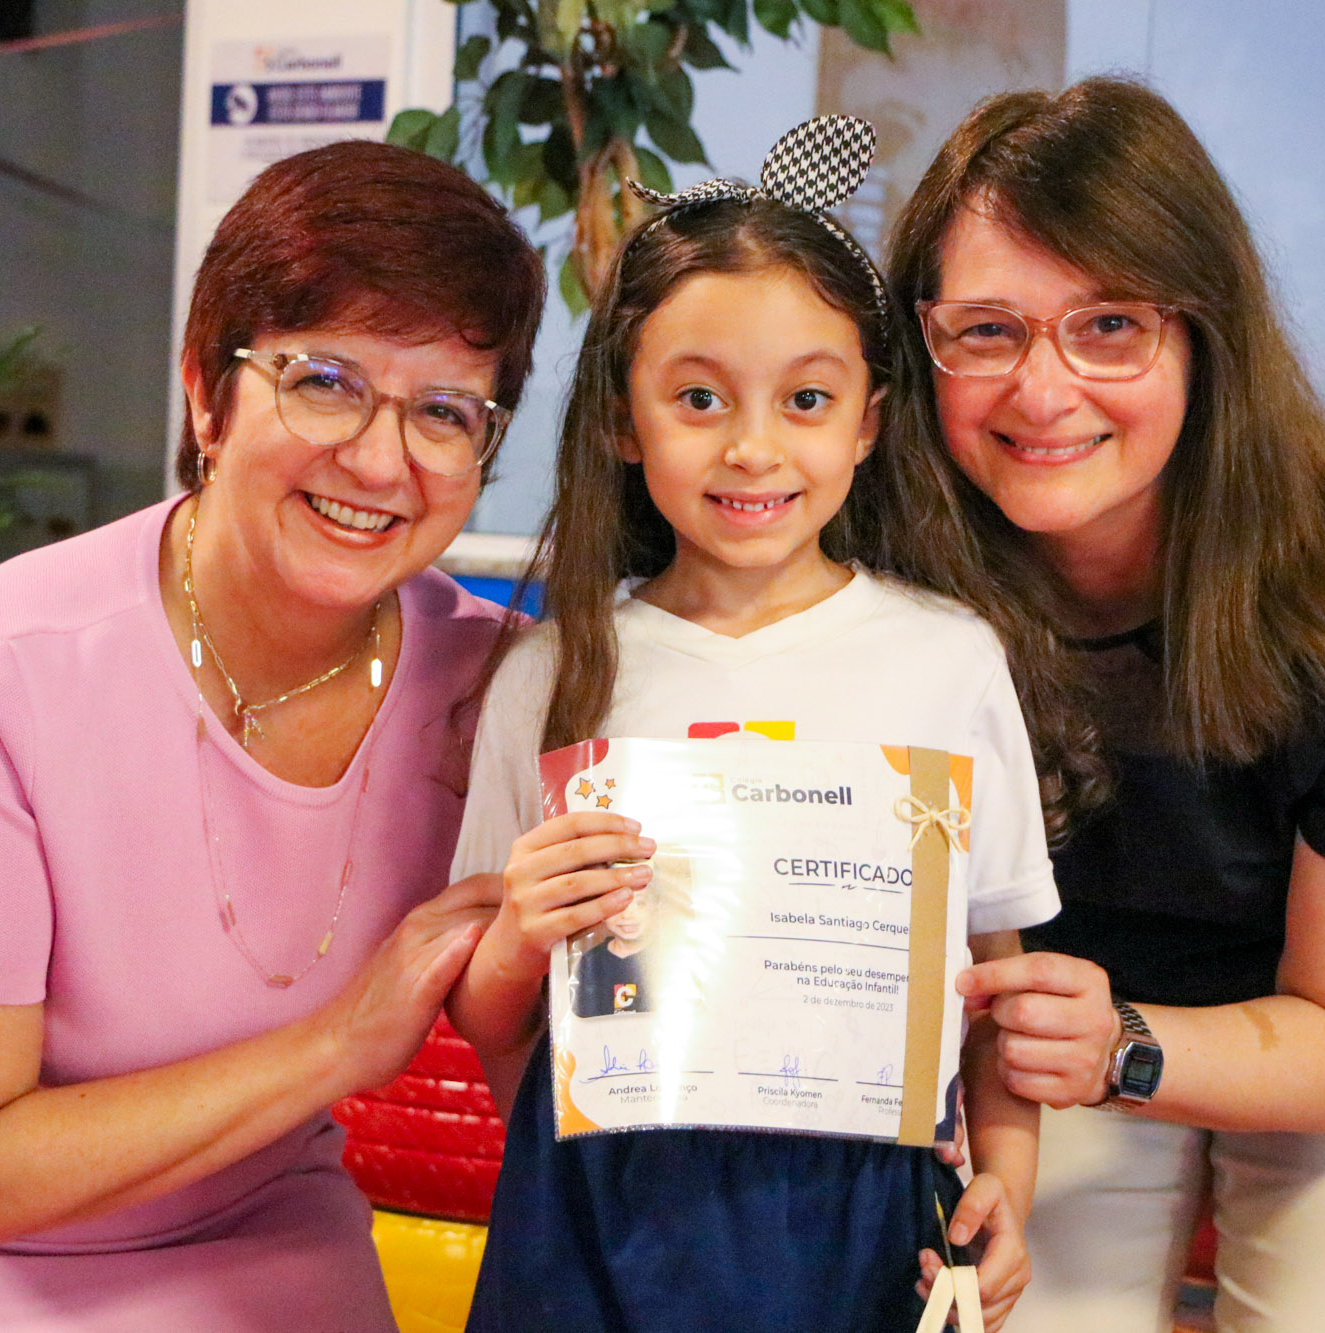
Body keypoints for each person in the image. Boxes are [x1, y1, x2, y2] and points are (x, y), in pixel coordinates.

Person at [0, 139, 544, 1331]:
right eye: (324, 381)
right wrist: (340, 1045)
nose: (381, 460)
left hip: (247, 1216)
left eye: (442, 411)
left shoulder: (495, 691)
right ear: (205, 392)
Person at [885, 79, 1325, 1333]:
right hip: (1057, 999)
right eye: (985, 330)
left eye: (1109, 326)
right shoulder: (890, 552)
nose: (1042, 390)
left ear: (1203, 334)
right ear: (919, 343)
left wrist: (1122, 1046)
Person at [445, 117, 1084, 1333]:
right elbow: (484, 1014)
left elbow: (992, 983)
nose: (751, 446)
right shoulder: (550, 673)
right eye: (697, 397)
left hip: (863, 1216)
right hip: (595, 1209)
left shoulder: (945, 660)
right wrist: (525, 926)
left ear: (867, 422)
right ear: (622, 420)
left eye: (805, 399)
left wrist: (1007, 1179)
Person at [570, 881, 655, 1018]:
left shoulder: (668, 956)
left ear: (656, 908)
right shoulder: (591, 961)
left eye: (640, 904)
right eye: (617, 905)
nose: (627, 915)